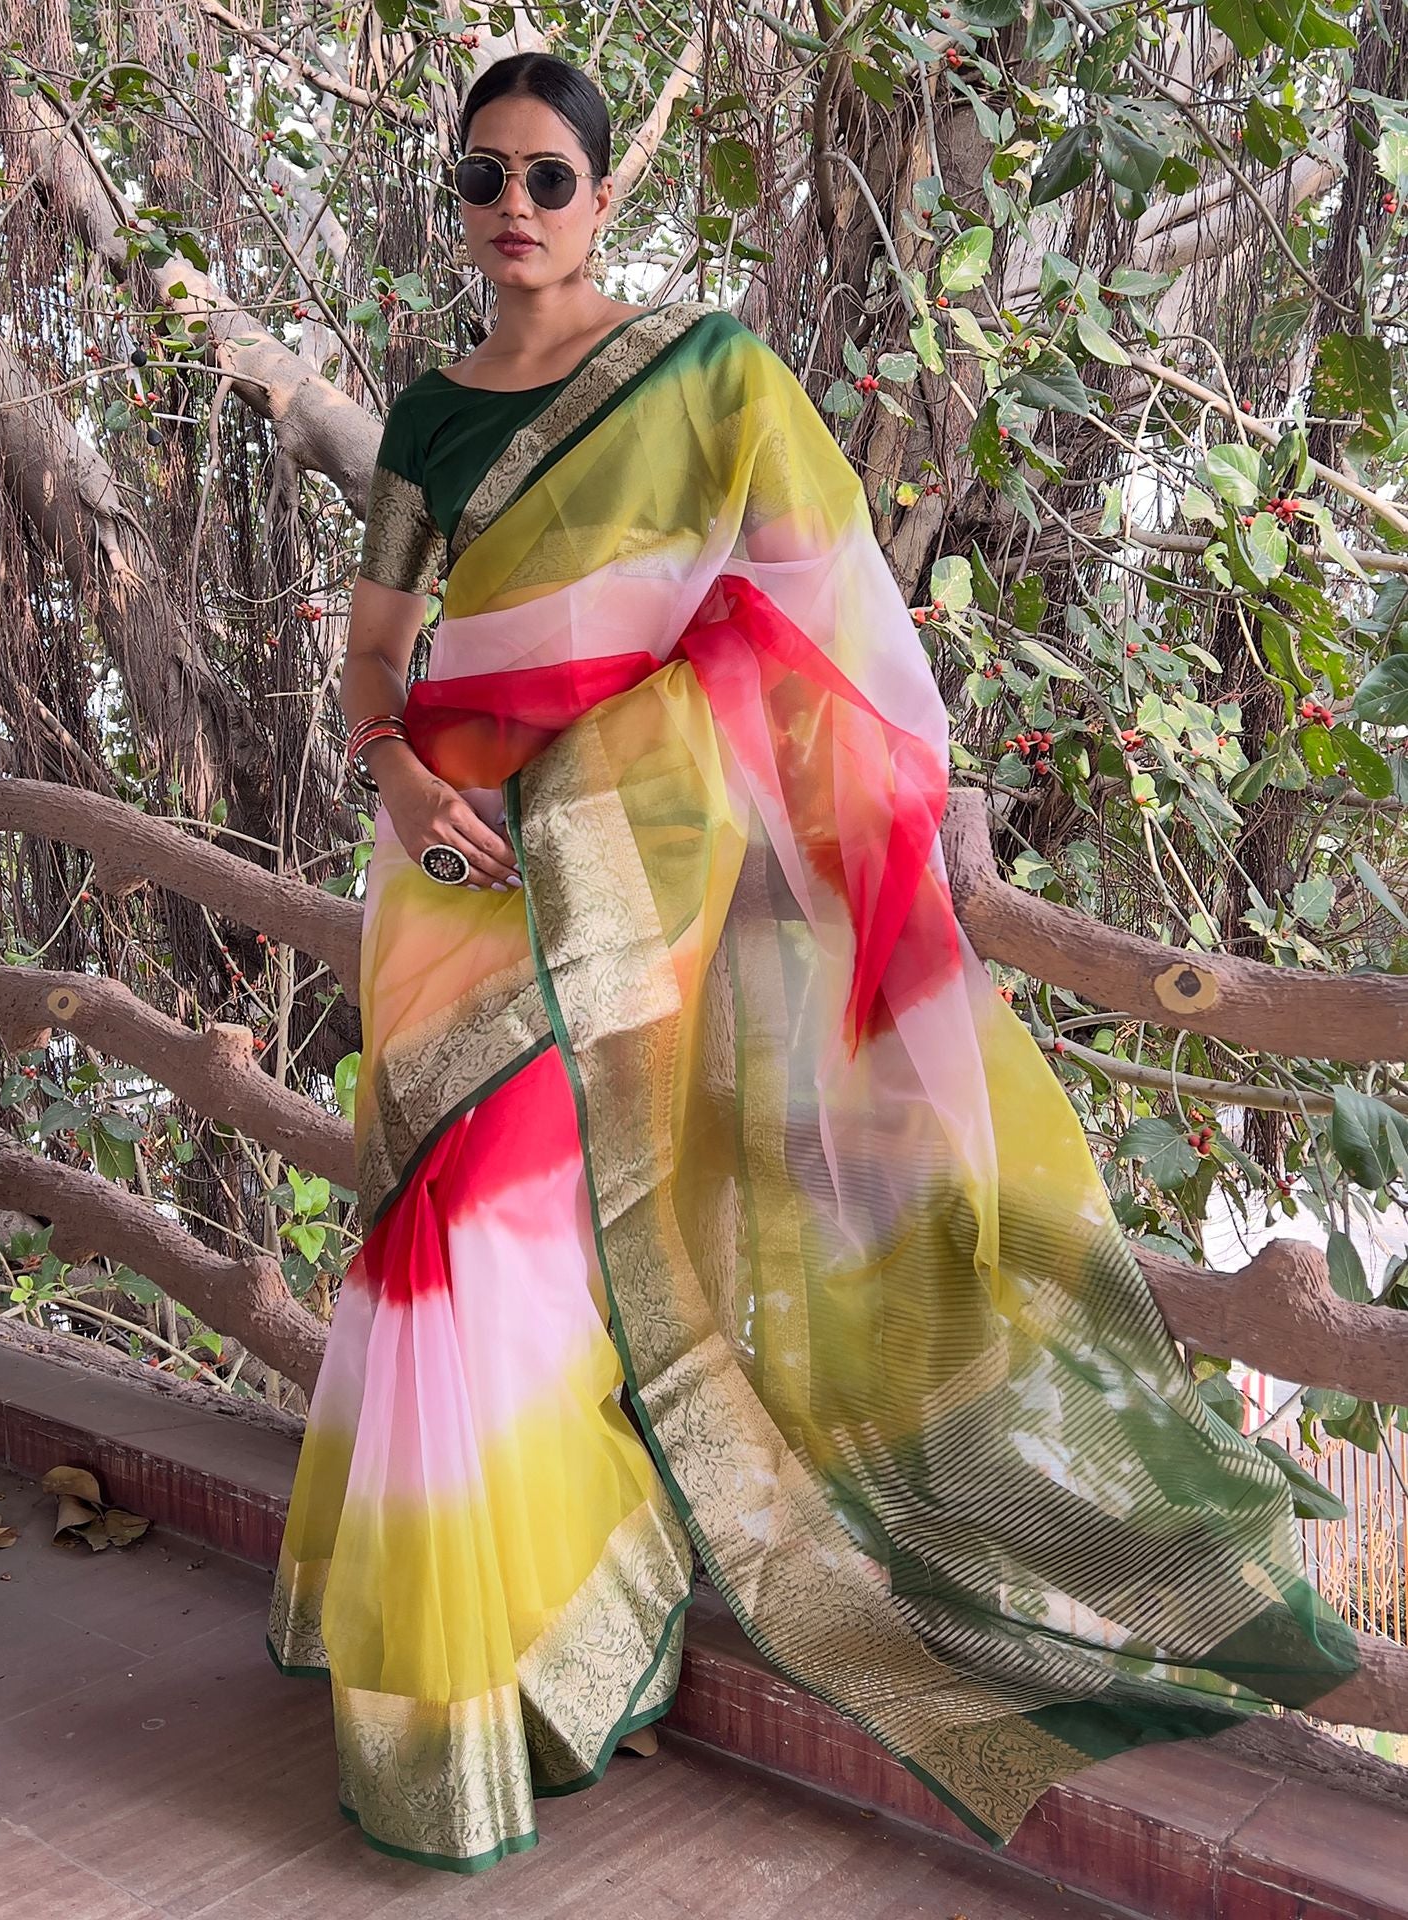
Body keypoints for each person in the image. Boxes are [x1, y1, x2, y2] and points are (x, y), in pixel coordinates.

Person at [267, 48, 1359, 1876]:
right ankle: (444, 1676)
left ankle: (513, 1666)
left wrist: (645, 772)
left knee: (508, 1246)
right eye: (481, 179)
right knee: (438, 1241)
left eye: (548, 179)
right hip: (442, 872)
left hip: (617, 864)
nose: (513, 211)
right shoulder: (430, 414)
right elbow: (374, 657)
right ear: (454, 204)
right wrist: (384, 778)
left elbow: (817, 617)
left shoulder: (706, 379)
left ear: (607, 199)